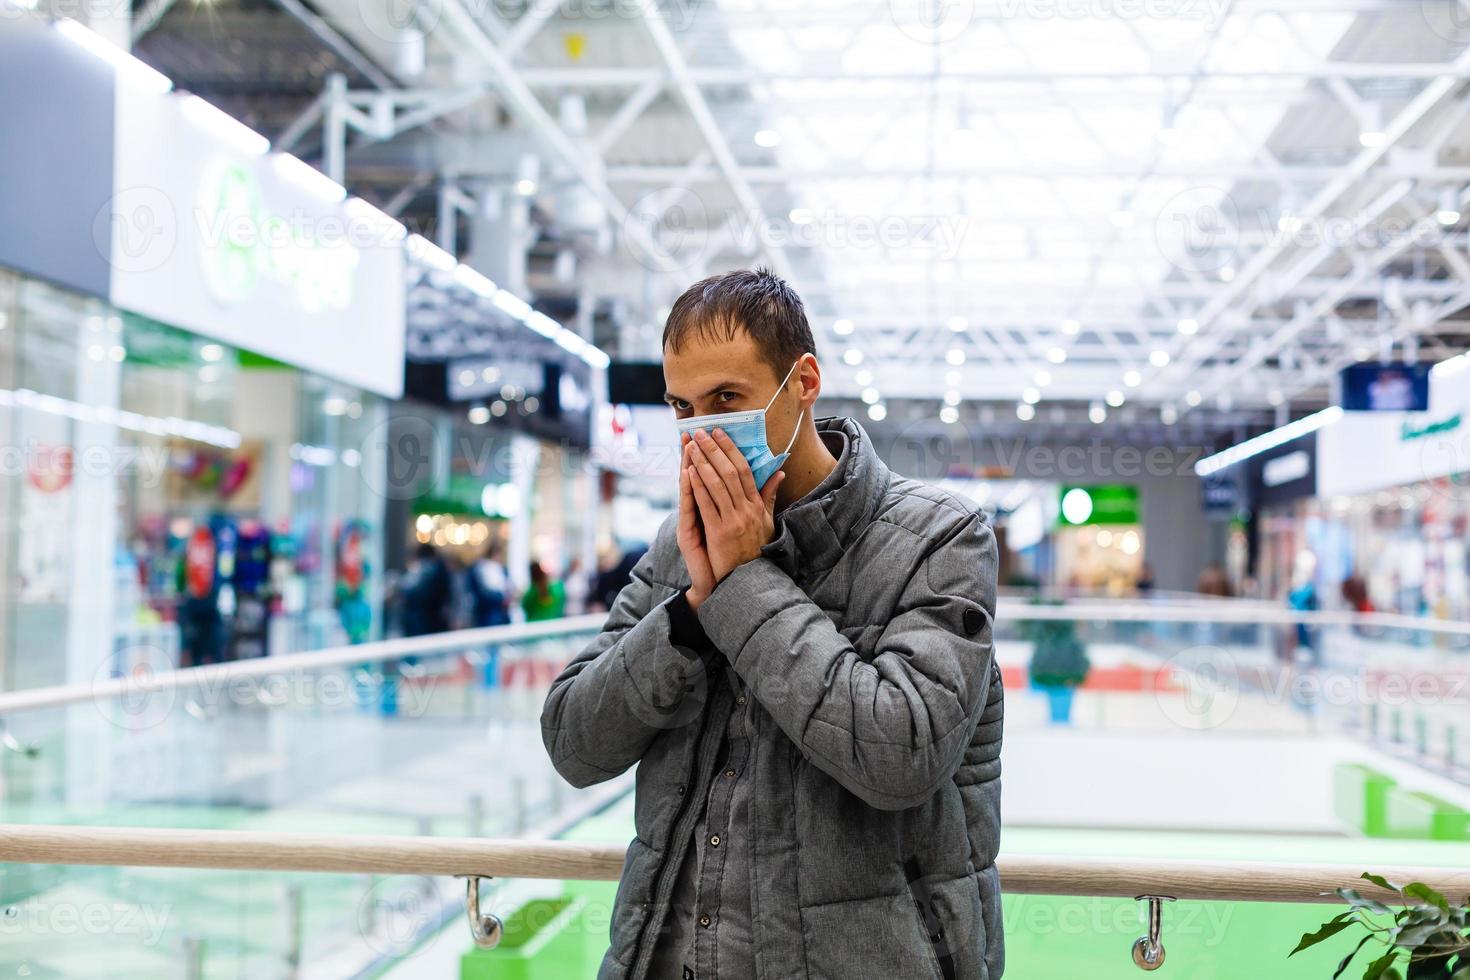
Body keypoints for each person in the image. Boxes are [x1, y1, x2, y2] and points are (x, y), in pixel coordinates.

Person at [541, 269, 1003, 979]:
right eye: (683, 407)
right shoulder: (678, 544)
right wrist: (692, 614)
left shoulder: (941, 540)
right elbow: (573, 740)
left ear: (804, 383)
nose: (703, 431)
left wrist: (742, 583)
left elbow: (901, 754)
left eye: (727, 398)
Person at [399, 543, 452, 637]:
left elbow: (412, 593)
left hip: (422, 621)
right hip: (432, 620)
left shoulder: (427, 570)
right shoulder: (439, 570)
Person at [466, 541, 512, 628]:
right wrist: (502, 598)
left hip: (500, 613)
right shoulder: (483, 569)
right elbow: (484, 594)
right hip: (490, 614)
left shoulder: (501, 569)